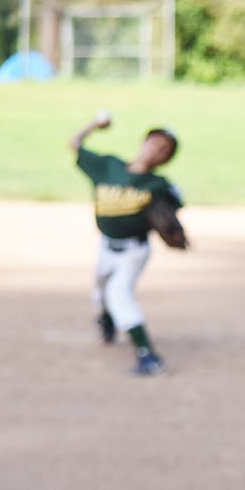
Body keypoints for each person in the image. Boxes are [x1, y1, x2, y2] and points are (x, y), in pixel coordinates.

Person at [69, 112, 183, 376]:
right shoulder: (109, 167)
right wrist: (94, 125)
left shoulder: (158, 184)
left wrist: (172, 223)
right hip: (106, 248)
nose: (156, 148)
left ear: (166, 158)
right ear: (144, 142)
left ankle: (148, 357)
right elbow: (74, 144)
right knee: (100, 294)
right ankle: (106, 320)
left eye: (164, 148)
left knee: (119, 294)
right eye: (154, 141)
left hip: (134, 251)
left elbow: (175, 209)